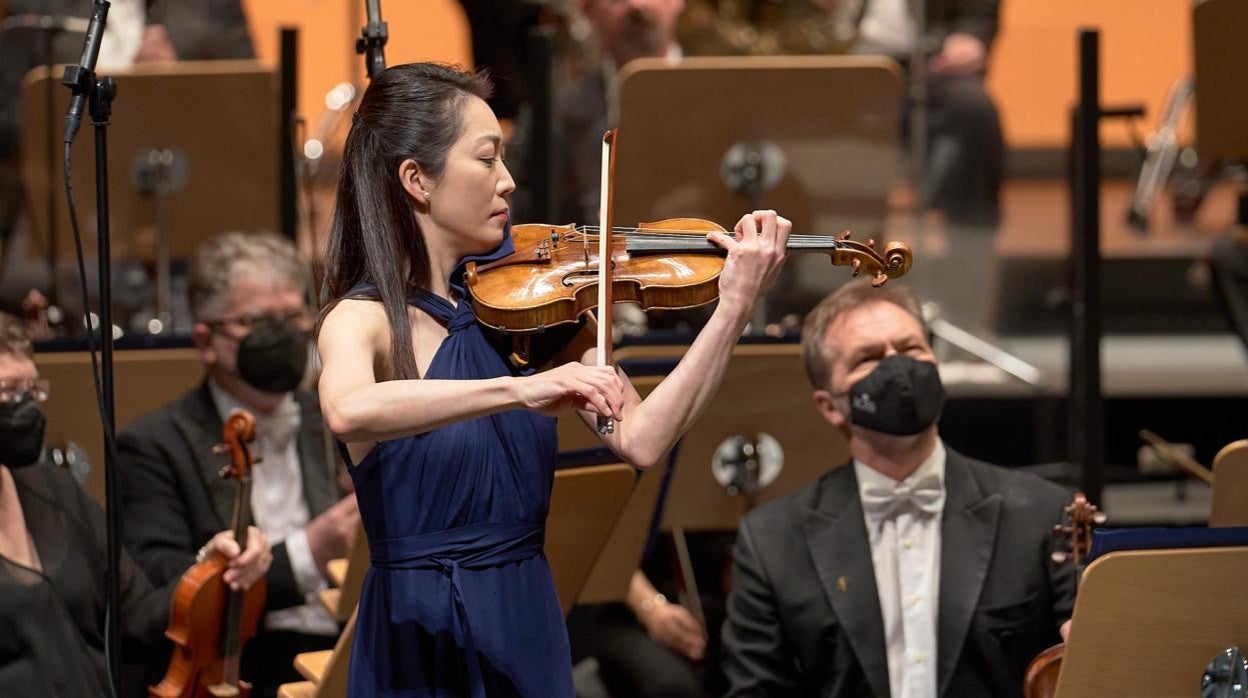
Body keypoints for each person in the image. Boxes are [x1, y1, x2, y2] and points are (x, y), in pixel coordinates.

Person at [315, 62, 790, 697]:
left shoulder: (525, 315)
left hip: (526, 619)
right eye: (487, 160)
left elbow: (643, 438)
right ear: (417, 180)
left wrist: (732, 311)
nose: (508, 182)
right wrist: (519, 390)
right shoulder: (360, 321)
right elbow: (348, 410)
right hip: (418, 633)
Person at [721, 280, 1076, 697]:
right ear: (829, 406)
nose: (898, 368)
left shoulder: (1041, 513)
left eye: (910, 349)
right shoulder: (773, 541)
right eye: (868, 358)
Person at [118, 232, 358, 698]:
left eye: (291, 316)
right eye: (255, 321)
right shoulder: (151, 447)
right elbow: (164, 598)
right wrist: (313, 549)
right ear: (207, 340)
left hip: (343, 647)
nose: (282, 334)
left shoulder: (332, 415)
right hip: (242, 665)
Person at [0, 310, 270, 697]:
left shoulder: (53, 489)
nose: (26, 406)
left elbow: (141, 617)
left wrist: (209, 566)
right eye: (9, 391)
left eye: (32, 389)